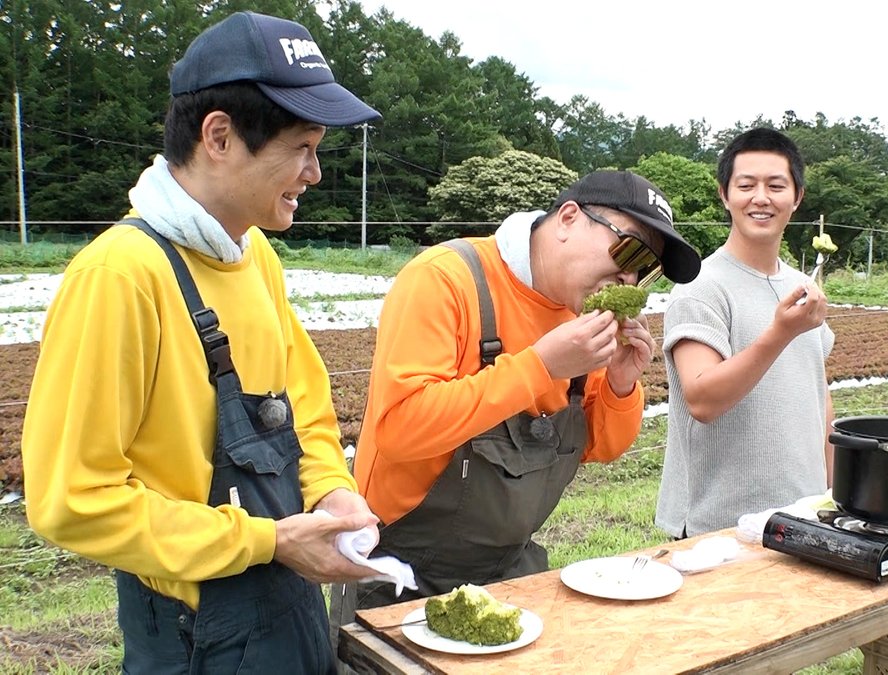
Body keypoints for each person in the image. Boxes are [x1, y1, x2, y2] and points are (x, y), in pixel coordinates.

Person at [21, 12, 384, 673]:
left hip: (291, 604)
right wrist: (266, 540)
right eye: (302, 148)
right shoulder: (121, 276)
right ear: (219, 135)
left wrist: (332, 490)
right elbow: (70, 502)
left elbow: (304, 407)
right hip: (199, 640)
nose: (315, 173)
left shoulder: (255, 256)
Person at [349, 171, 702, 607]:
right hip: (396, 572)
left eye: (647, 271)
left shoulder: (581, 314)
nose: (629, 279)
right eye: (629, 249)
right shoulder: (444, 279)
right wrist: (541, 365)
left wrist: (621, 382)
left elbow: (599, 447)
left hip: (509, 570)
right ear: (569, 218)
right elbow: (401, 429)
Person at [655, 128, 835, 539]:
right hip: (717, 527)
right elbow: (702, 398)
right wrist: (779, 333)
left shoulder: (803, 289)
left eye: (776, 186)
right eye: (746, 185)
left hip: (801, 517)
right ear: (725, 194)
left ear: (797, 197)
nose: (761, 198)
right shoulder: (701, 286)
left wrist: (831, 495)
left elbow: (819, 398)